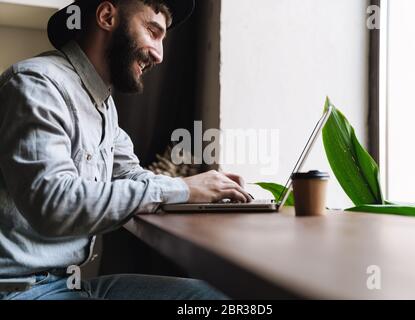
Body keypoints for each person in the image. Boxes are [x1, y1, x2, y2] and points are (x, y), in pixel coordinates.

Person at [0, 0, 252, 300]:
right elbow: (55, 204)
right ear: (107, 16)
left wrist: (207, 193)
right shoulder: (36, 84)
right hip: (20, 291)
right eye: (152, 31)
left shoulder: (103, 106)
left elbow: (131, 175)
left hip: (69, 284)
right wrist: (182, 189)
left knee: (219, 298)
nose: (159, 55)